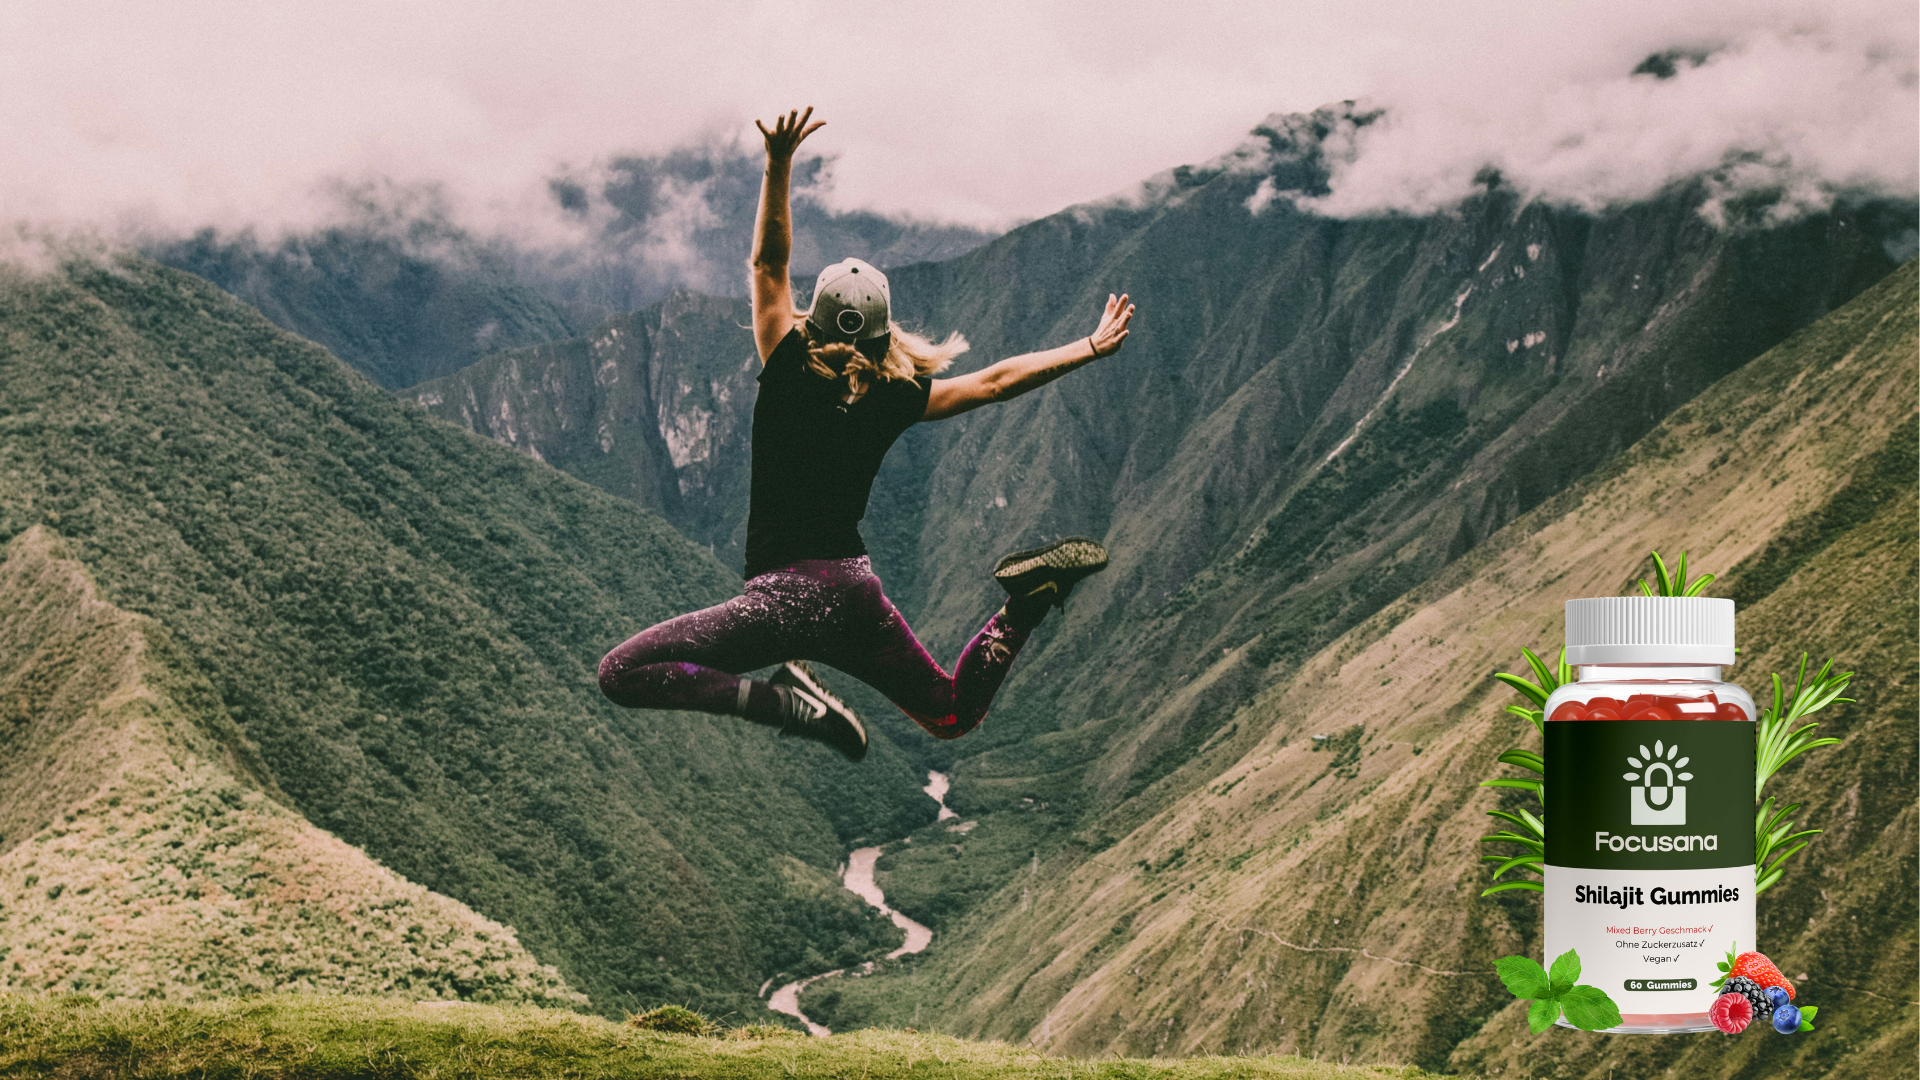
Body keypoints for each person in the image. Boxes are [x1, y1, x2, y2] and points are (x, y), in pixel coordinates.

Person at [597, 107, 1135, 761]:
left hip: (783, 601)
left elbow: (769, 264)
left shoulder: (789, 363)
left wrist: (778, 162)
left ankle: (784, 704)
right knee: (950, 713)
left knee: (621, 674)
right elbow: (994, 382)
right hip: (854, 595)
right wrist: (1087, 346)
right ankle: (1022, 607)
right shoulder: (896, 394)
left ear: (813, 319)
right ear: (884, 332)